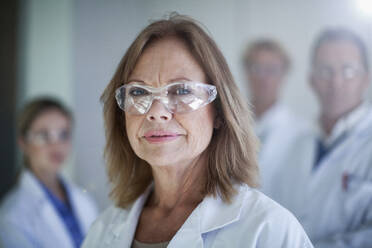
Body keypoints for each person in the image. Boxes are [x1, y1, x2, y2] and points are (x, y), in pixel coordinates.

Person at [82, 14, 313, 248]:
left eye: (181, 91)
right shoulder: (103, 230)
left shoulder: (268, 229)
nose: (156, 111)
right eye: (139, 92)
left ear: (220, 113)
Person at [274, 28, 372, 247]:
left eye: (348, 71)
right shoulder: (295, 146)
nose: (336, 82)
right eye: (326, 71)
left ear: (366, 79)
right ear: (311, 80)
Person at [0, 98, 98, 248]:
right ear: (23, 143)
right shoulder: (11, 216)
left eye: (63, 134)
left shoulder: (82, 198)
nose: (56, 145)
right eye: (43, 135)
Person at [242, 39, 307, 197]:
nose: (263, 77)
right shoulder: (227, 125)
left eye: (271, 69)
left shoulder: (302, 133)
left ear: (284, 74)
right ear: (246, 73)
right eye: (256, 68)